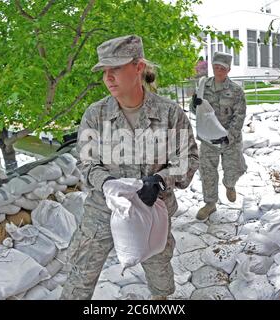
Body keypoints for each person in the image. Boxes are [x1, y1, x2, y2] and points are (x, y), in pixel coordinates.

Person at [60, 35, 199, 300]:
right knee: (80, 270)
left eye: (116, 69)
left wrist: (160, 179)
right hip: (104, 208)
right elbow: (86, 162)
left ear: (138, 67)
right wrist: (107, 183)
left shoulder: (170, 113)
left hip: (153, 206)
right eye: (104, 71)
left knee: (158, 266)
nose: (108, 78)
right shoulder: (96, 114)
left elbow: (188, 159)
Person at [192, 52, 247, 220]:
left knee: (232, 169)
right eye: (216, 67)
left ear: (228, 70)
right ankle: (210, 204)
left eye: (222, 68)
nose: (218, 70)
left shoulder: (236, 91)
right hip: (209, 139)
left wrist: (229, 135)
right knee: (207, 171)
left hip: (230, 139)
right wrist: (194, 105)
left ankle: (230, 185)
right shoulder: (203, 86)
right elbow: (197, 111)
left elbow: (240, 115)